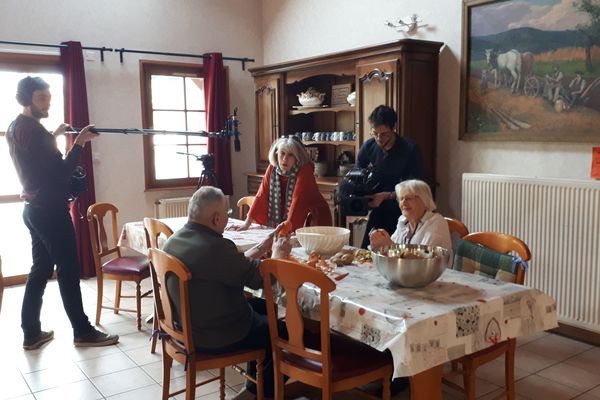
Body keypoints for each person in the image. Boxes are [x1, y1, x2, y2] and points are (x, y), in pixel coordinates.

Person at [6, 76, 119, 350]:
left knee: (40, 269)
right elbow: (61, 170)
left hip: (33, 210)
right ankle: (83, 331)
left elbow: (36, 159)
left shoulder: (17, 127)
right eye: (41, 98)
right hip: (51, 212)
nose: (47, 103)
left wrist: (55, 136)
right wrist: (80, 142)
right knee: (69, 269)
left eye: (48, 97)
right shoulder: (35, 132)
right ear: (27, 99)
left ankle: (31, 333)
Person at [163, 186, 292, 399]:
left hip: (185, 327)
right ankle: (261, 394)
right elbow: (261, 280)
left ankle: (254, 386)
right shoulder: (215, 248)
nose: (227, 218)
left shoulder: (175, 240)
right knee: (284, 333)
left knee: (262, 307)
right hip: (212, 335)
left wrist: (264, 245)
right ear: (215, 218)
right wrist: (277, 256)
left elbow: (237, 264)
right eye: (226, 214)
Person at [357, 105, 425, 248]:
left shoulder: (410, 149)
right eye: (374, 133)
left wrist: (386, 195)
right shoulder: (369, 146)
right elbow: (357, 173)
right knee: (366, 252)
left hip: (405, 211)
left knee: (396, 254)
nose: (379, 139)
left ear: (394, 128)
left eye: (384, 134)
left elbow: (417, 188)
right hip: (378, 208)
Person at [231, 135, 332, 231]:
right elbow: (262, 195)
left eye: (290, 155)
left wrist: (285, 230)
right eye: (282, 153)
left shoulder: (304, 170)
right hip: (291, 221)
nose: (285, 159)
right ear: (276, 153)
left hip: (315, 220)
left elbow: (298, 202)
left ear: (297, 157)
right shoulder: (273, 168)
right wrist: (247, 223)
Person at [369, 179, 452, 254]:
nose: (403, 203)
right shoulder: (403, 220)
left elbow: (423, 260)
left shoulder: (437, 222)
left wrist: (389, 246)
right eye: (401, 198)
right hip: (402, 270)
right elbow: (391, 250)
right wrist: (379, 244)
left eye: (409, 198)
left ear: (424, 200)